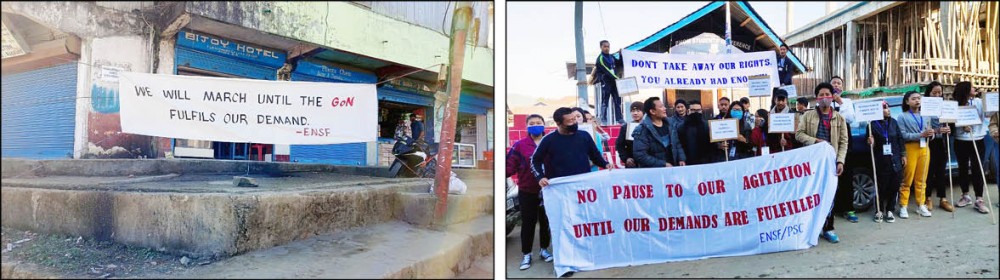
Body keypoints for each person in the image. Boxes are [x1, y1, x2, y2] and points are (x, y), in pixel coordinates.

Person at [795, 82, 849, 243]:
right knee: (812, 194)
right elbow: (799, 134)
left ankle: (828, 228)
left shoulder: (839, 118)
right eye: (821, 95)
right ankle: (812, 227)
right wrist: (814, 141)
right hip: (812, 162)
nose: (824, 98)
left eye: (827, 94)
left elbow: (843, 142)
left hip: (830, 162)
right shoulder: (808, 115)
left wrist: (840, 161)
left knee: (830, 194)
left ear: (832, 97)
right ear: (816, 98)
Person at [506, 114, 553, 270]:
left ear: (544, 125)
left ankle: (544, 250)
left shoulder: (550, 142)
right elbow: (510, 165)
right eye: (531, 123)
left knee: (546, 221)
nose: (535, 125)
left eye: (538, 122)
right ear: (526, 127)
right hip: (527, 190)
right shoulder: (520, 145)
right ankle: (527, 254)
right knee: (528, 223)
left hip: (549, 190)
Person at [951, 82, 990, 214]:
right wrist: (961, 126)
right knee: (962, 168)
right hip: (961, 140)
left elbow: (989, 114)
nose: (975, 88)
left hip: (977, 138)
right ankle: (965, 195)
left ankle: (979, 199)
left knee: (977, 168)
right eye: (972, 87)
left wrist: (992, 103)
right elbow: (950, 122)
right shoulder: (955, 104)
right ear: (966, 90)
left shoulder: (979, 102)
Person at [897, 91, 934, 219]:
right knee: (907, 178)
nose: (917, 101)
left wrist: (931, 134)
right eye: (913, 99)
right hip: (910, 148)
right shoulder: (902, 116)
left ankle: (921, 204)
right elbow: (903, 135)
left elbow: (931, 132)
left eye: (919, 98)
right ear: (907, 101)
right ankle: (903, 205)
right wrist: (920, 135)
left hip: (924, 148)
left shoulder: (926, 115)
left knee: (922, 179)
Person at [867, 101, 906, 223]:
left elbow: (900, 139)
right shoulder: (871, 125)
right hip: (881, 161)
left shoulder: (893, 122)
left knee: (894, 186)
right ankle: (879, 210)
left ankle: (890, 210)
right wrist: (870, 142)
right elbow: (869, 145)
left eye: (888, 107)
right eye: (885, 108)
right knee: (881, 187)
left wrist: (903, 155)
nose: (888, 110)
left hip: (895, 160)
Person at [829, 75, 857, 223]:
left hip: (845, 142)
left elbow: (851, 119)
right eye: (834, 83)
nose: (836, 85)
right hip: (829, 142)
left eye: (839, 83)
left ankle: (849, 208)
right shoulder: (824, 101)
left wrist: (839, 102)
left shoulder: (847, 102)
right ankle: (832, 209)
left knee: (847, 175)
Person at [922, 82, 955, 212]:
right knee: (929, 172)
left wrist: (948, 129)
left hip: (942, 144)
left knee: (941, 171)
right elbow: (922, 127)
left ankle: (943, 199)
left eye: (939, 92)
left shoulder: (945, 107)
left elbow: (951, 126)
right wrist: (936, 131)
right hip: (929, 143)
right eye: (934, 92)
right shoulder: (923, 108)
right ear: (928, 93)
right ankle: (928, 198)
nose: (937, 95)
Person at [633, 97, 686, 168]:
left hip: (672, 168)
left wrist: (681, 158)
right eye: (661, 107)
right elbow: (640, 155)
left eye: (664, 106)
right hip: (654, 172)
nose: (665, 108)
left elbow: (677, 143)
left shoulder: (670, 124)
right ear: (652, 111)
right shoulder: (642, 130)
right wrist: (663, 164)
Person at [590, 40, 624, 124]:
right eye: (604, 46)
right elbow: (606, 70)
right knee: (605, 101)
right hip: (606, 82)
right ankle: (603, 119)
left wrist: (621, 54)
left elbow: (619, 63)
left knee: (617, 100)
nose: (606, 48)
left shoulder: (611, 57)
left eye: (608, 46)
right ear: (601, 47)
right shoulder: (600, 59)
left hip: (614, 82)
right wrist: (617, 78)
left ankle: (619, 118)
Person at [678, 100, 713, 165]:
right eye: (693, 110)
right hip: (688, 162)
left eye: (698, 110)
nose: (696, 112)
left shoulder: (707, 126)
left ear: (701, 111)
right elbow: (679, 145)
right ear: (688, 111)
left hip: (705, 162)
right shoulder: (681, 127)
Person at [616, 101, 645, 168]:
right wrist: (626, 158)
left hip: (647, 163)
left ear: (643, 112)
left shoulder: (649, 126)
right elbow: (620, 145)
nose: (635, 113)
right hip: (632, 163)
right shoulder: (625, 127)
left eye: (638, 111)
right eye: (633, 111)